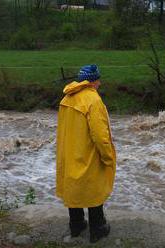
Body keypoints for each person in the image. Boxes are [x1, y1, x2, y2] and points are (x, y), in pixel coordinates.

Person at [56, 64, 116, 243]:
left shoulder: (67, 97)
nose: (100, 83)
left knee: (73, 188)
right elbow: (100, 135)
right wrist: (108, 156)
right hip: (88, 152)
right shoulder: (93, 100)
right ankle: (98, 229)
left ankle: (76, 225)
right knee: (94, 189)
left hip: (69, 151)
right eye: (98, 80)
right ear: (94, 81)